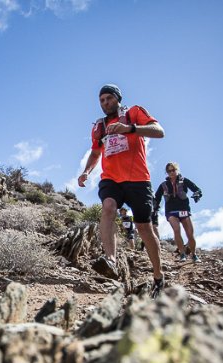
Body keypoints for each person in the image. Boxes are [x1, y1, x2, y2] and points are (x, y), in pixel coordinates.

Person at [78, 84, 165, 295]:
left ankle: (158, 275)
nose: (105, 103)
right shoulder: (99, 127)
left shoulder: (133, 113)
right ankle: (111, 260)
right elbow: (95, 153)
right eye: (101, 100)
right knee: (108, 207)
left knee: (144, 228)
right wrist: (87, 171)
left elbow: (159, 131)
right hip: (111, 179)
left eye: (108, 98)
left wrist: (130, 129)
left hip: (138, 180)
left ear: (117, 99)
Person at [154, 162, 202, 262]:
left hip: (184, 209)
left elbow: (196, 189)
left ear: (177, 170)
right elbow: (156, 198)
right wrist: (154, 208)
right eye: (169, 171)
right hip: (171, 211)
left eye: (173, 170)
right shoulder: (163, 185)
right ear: (167, 173)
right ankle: (182, 254)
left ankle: (194, 254)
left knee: (190, 234)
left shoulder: (184, 181)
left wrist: (197, 194)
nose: (171, 172)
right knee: (176, 230)